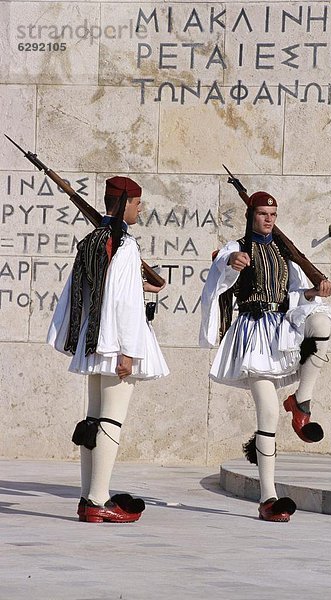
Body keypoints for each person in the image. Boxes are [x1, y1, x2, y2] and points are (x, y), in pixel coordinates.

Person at [199, 191, 331, 522]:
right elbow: (219, 268)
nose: (269, 219)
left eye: (273, 214)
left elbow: (289, 295)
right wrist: (231, 264)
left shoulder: (281, 250)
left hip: (282, 331)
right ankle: (268, 497)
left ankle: (301, 403)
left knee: (321, 322)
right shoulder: (238, 248)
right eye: (262, 213)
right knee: (268, 414)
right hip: (253, 336)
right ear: (251, 215)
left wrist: (312, 292)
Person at [48, 176, 169, 523]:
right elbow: (125, 303)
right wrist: (128, 351)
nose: (140, 208)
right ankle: (100, 499)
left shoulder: (92, 241)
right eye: (136, 202)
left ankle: (88, 499)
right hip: (116, 342)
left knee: (93, 420)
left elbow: (85, 291)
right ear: (125, 203)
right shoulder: (125, 245)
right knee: (110, 422)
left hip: (93, 341)